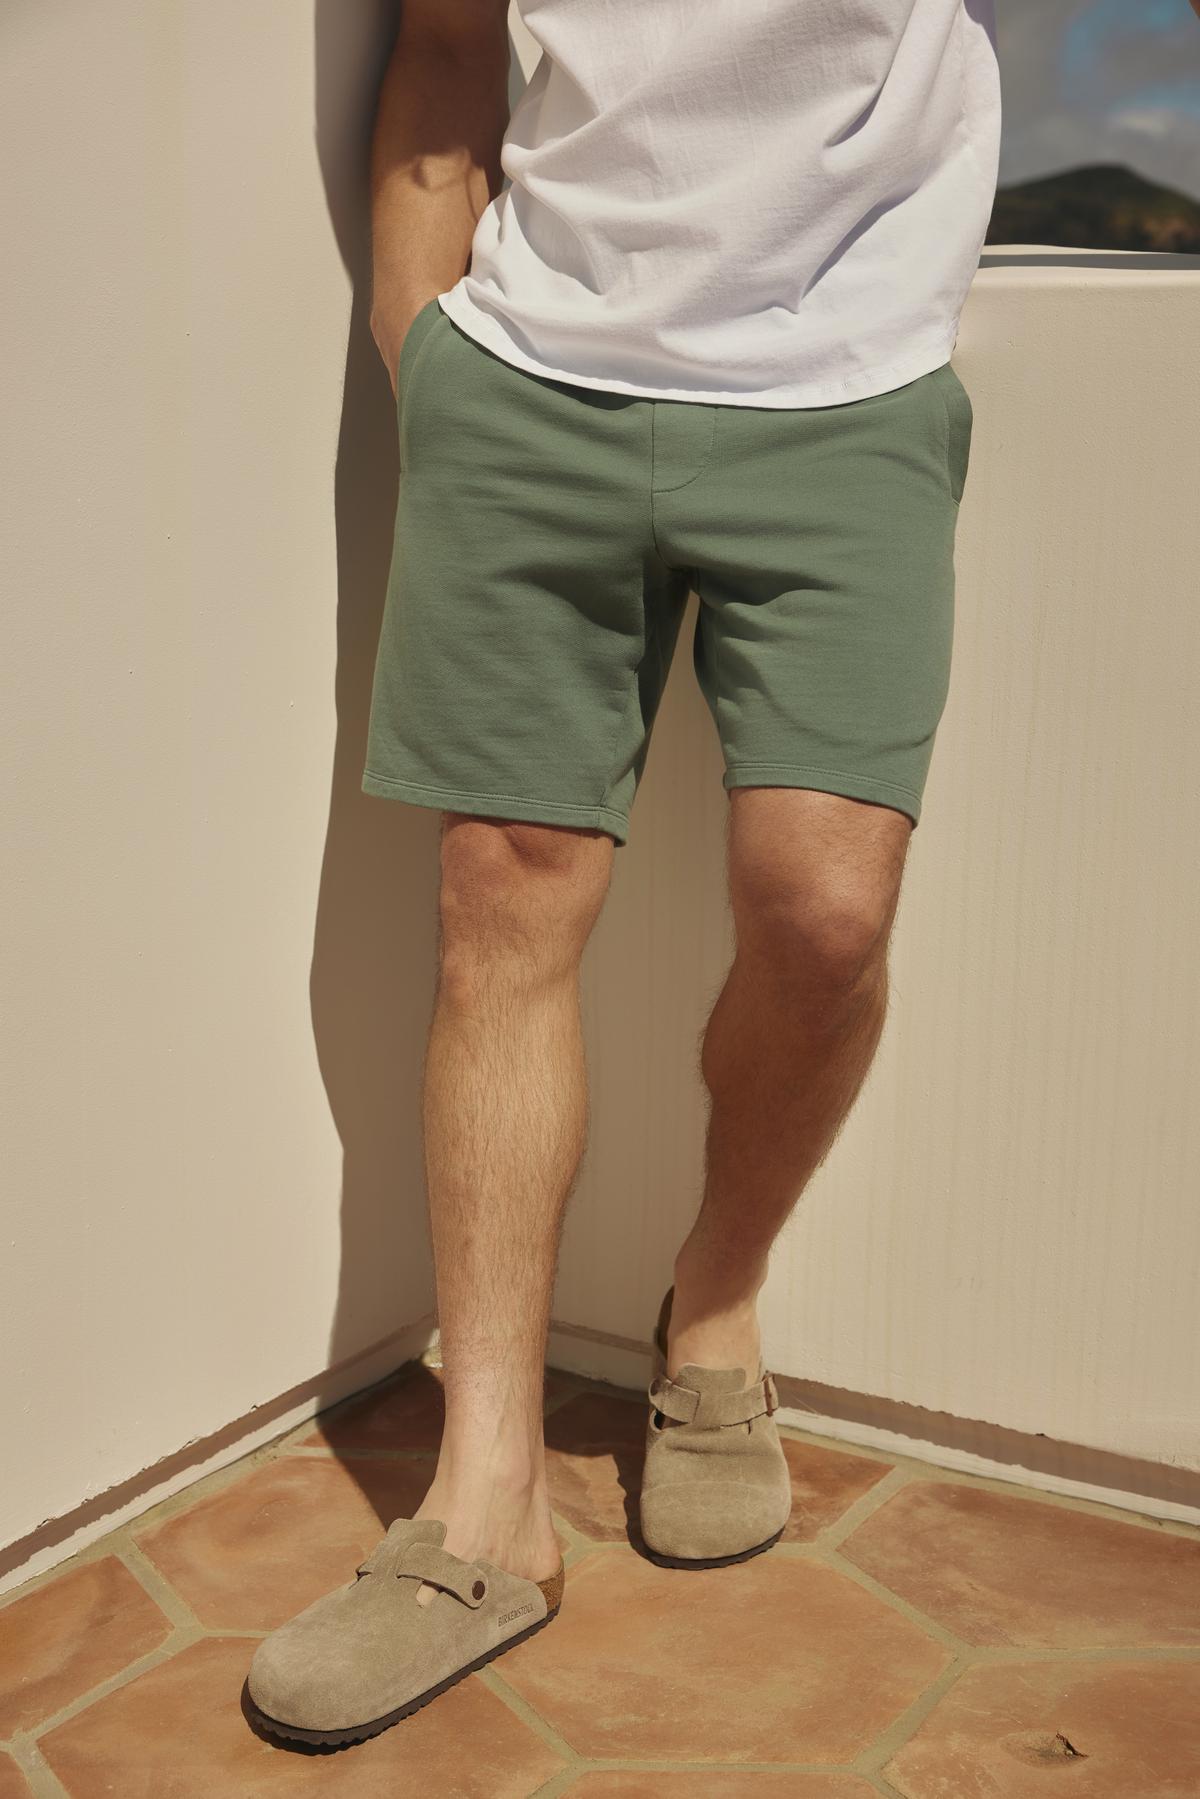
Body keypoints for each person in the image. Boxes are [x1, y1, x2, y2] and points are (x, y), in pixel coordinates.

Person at [246, 0, 999, 1747]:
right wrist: (420, 353)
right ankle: (489, 1496)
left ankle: (713, 1311)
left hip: (850, 386)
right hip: (525, 379)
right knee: (499, 892)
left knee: (825, 910)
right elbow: (441, 54)